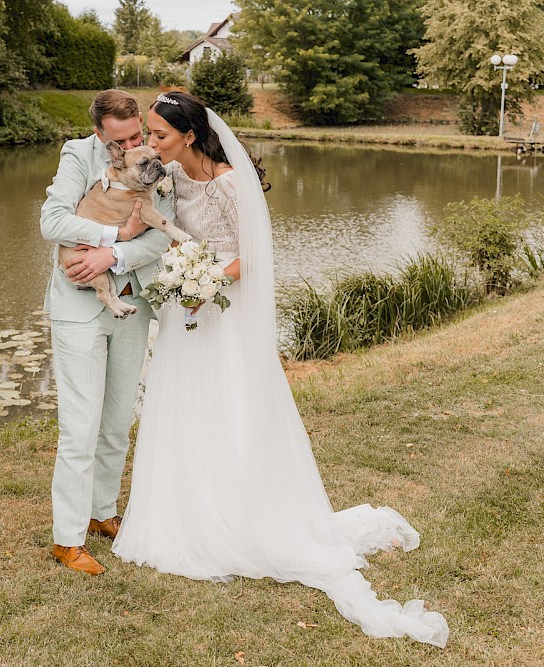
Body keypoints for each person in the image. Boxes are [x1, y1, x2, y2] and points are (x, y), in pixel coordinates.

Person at [111, 91, 449, 648]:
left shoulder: (227, 182)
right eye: (147, 135)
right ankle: (182, 508)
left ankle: (240, 509)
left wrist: (208, 282)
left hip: (222, 302)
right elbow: (147, 218)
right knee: (180, 402)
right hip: (185, 302)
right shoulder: (166, 176)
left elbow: (254, 254)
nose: (150, 145)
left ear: (190, 135)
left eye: (159, 136)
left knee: (229, 401)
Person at [40, 89, 171, 576]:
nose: (136, 143)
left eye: (138, 132)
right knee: (80, 427)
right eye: (122, 138)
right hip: (79, 305)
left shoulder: (156, 157)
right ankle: (66, 540)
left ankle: (102, 512)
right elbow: (52, 221)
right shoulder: (77, 155)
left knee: (117, 419)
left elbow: (161, 232)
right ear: (100, 134)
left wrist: (115, 257)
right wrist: (112, 238)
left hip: (133, 301)